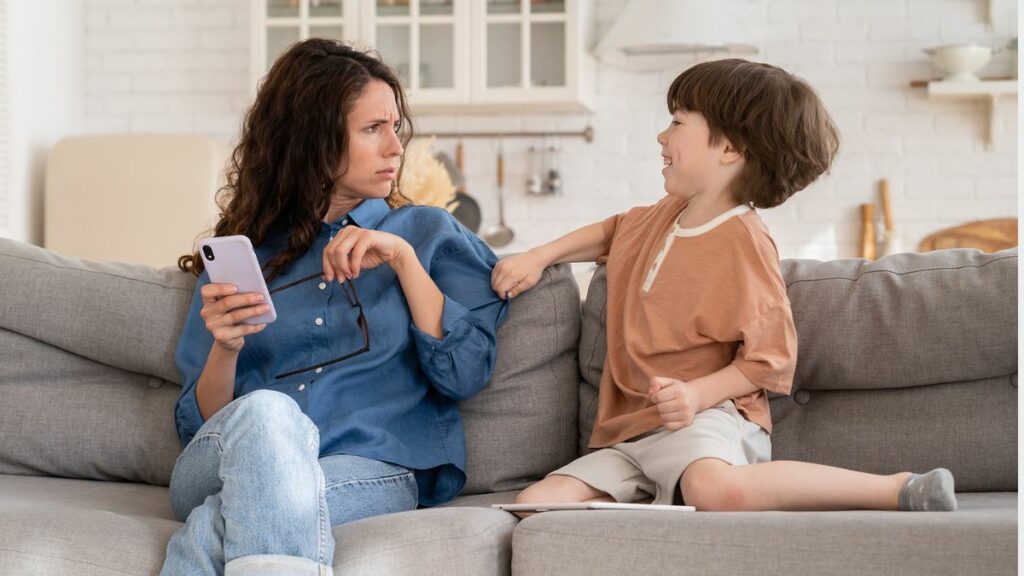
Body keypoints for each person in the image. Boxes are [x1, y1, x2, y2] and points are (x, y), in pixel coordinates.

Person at [492, 59, 956, 515]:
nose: (662, 135)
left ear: (730, 149)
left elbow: (770, 358)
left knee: (714, 491)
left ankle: (898, 489)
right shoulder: (662, 215)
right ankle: (659, 504)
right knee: (536, 504)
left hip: (707, 420)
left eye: (676, 122)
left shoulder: (744, 240)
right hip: (630, 433)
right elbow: (612, 231)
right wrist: (539, 256)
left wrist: (696, 395)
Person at [164, 39, 507, 576]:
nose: (395, 147)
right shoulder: (244, 255)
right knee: (268, 412)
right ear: (313, 142)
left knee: (214, 527)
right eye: (373, 129)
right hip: (227, 458)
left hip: (373, 462)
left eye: (395, 127)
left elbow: (465, 373)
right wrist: (226, 348)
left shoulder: (425, 234)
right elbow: (200, 426)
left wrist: (403, 261)